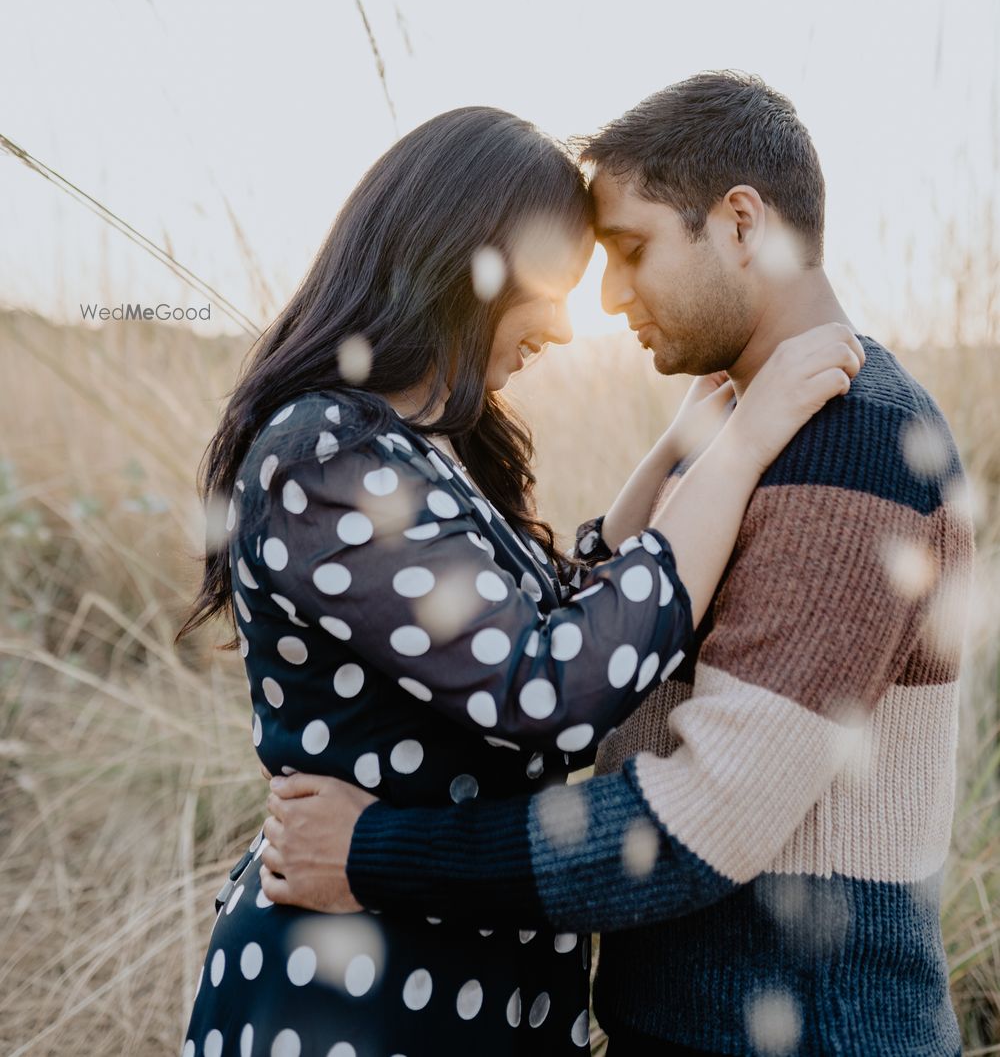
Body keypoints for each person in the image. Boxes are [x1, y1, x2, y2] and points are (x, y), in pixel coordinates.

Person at [261, 74, 975, 1057]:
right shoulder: (746, 431)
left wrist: (372, 854)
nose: (604, 297)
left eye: (630, 249)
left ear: (738, 226)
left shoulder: (854, 449)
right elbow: (592, 628)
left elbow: (700, 820)